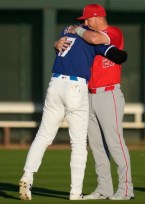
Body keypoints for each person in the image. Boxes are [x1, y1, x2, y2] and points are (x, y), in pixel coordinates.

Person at [18, 24, 127, 200]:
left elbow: (66, 46)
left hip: (55, 84)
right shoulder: (92, 39)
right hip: (76, 87)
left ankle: (27, 176)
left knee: (43, 135)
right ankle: (75, 192)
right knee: (78, 143)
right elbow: (119, 56)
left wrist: (56, 43)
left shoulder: (66, 32)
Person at [66, 3, 134, 200]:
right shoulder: (85, 35)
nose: (85, 23)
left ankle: (126, 189)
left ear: (98, 17)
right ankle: (104, 187)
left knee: (115, 143)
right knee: (96, 145)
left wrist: (77, 29)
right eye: (83, 21)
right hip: (88, 94)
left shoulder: (113, 32)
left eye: (87, 19)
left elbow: (96, 38)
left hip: (109, 93)